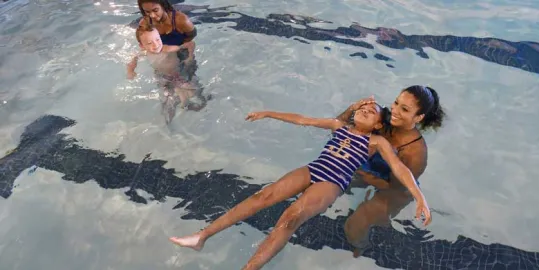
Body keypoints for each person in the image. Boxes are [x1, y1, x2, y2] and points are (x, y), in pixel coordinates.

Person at [169, 103, 432, 270]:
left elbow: (399, 168)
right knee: (264, 195)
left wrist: (418, 196)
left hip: (333, 181)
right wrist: (268, 112)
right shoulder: (339, 125)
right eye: (363, 107)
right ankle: (202, 236)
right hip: (313, 169)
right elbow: (302, 118)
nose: (365, 109)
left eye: (372, 111)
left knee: (291, 217)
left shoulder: (376, 142)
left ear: (377, 124)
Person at [336, 85, 445, 257]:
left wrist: (363, 173)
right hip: (368, 169)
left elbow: (396, 187)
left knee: (355, 226)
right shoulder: (382, 118)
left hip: (397, 187)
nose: (394, 110)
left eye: (405, 109)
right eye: (396, 102)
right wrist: (353, 109)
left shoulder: (415, 152)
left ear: (418, 117)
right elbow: (339, 130)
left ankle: (362, 248)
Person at [127, 24, 202, 124]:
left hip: (177, 74)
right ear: (142, 46)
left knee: (191, 92)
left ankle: (192, 105)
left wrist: (190, 57)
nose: (156, 45)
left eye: (158, 39)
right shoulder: (144, 53)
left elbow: (190, 44)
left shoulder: (168, 49)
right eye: (149, 43)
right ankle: (168, 122)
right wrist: (131, 71)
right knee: (167, 101)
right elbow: (132, 60)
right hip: (162, 77)